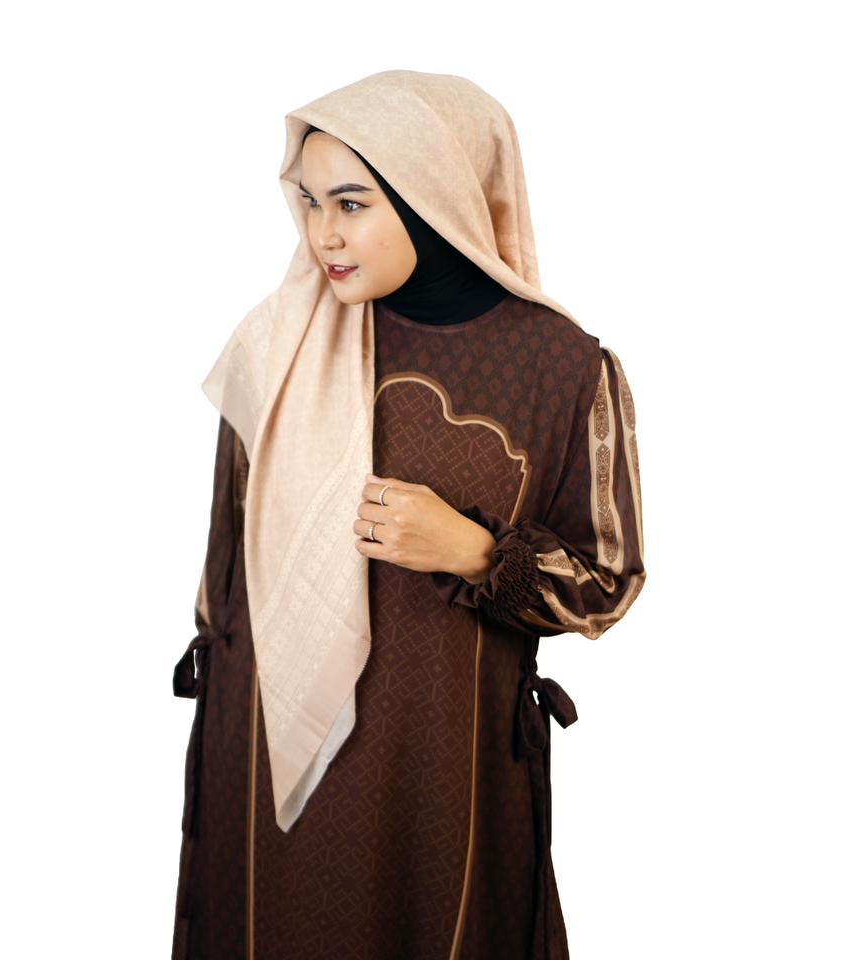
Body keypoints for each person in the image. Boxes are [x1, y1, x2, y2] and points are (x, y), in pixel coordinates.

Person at [172, 70, 646, 960]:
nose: (323, 234)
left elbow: (606, 584)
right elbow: (222, 579)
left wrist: (477, 553)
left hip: (440, 772)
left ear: (435, 196)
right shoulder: (279, 345)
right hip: (263, 751)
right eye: (310, 202)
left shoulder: (561, 369)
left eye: (352, 204)